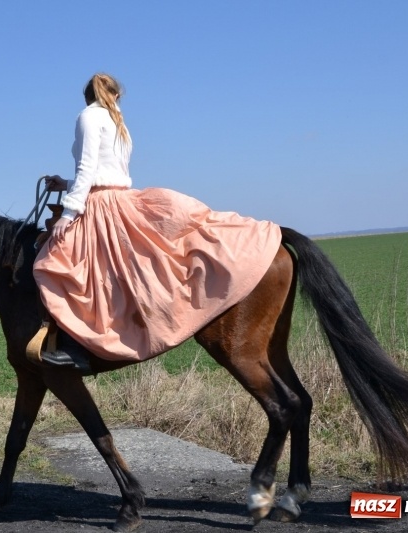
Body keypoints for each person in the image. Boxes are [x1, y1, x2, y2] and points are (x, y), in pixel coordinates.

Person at [32, 73, 281, 369]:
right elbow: (107, 174)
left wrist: (69, 212)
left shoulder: (88, 116)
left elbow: (88, 169)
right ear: (116, 96)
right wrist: (66, 184)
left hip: (100, 205)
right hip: (120, 198)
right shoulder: (118, 122)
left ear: (88, 97)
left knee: (52, 264)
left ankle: (76, 348)